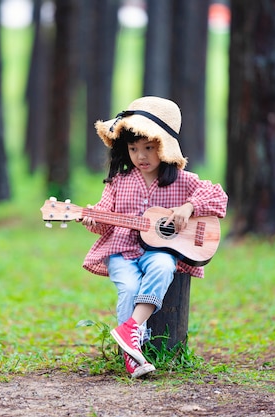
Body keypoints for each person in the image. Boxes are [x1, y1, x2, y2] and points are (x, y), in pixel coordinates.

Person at [80, 96, 228, 378]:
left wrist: (189, 206)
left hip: (157, 253)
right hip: (122, 251)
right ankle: (133, 356)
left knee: (163, 265)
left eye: (149, 148)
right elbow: (104, 222)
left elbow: (218, 195)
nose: (141, 156)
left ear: (164, 148)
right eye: (134, 149)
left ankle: (130, 329)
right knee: (129, 287)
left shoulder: (184, 181)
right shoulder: (118, 183)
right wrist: (91, 219)